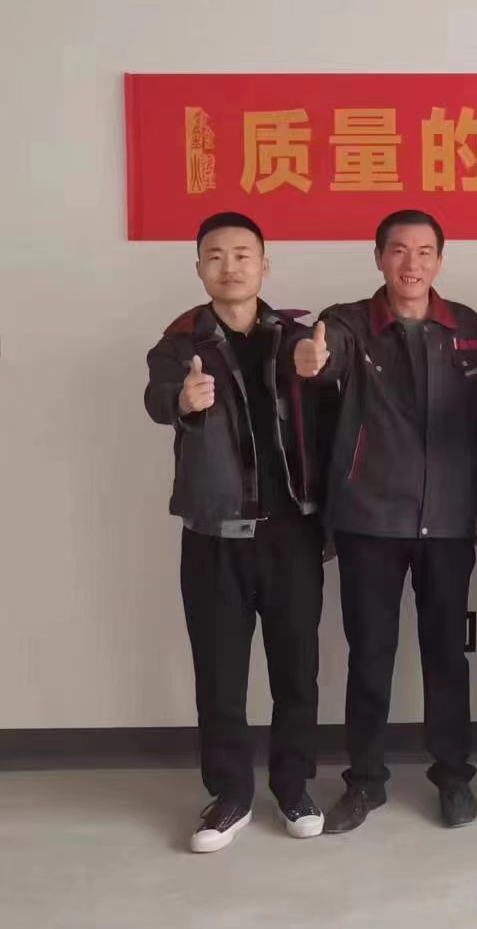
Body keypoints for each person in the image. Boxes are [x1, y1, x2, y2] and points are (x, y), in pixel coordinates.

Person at [293, 209, 477, 833]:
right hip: (370, 520)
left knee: (447, 656)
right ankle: (365, 782)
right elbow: (327, 361)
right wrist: (313, 360)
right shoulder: (349, 323)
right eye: (398, 250)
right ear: (379, 256)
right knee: (370, 655)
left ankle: (454, 777)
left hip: (449, 522)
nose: (411, 264)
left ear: (440, 259)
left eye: (424, 251)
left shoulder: (468, 329)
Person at [144, 212, 327, 853]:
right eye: (216, 256)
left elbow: (335, 403)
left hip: (293, 533)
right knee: (220, 674)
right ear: (199, 268)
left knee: (297, 670)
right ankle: (230, 795)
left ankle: (294, 787)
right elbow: (156, 397)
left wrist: (319, 371)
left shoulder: (299, 337)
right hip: (214, 532)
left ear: (264, 265)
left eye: (243, 254)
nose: (230, 266)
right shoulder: (178, 343)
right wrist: (182, 401)